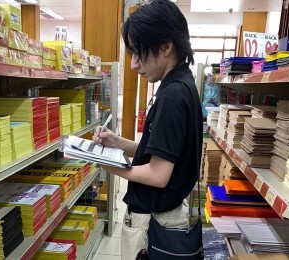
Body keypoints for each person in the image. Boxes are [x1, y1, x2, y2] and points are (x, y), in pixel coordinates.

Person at [92, 0, 203, 259]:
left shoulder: (173, 96)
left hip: (153, 223)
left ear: (166, 46)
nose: (134, 64)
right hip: (166, 213)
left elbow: (158, 174)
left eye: (140, 52)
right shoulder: (181, 84)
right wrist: (118, 142)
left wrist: (112, 167)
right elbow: (163, 153)